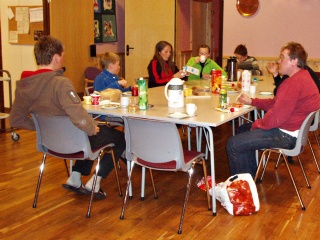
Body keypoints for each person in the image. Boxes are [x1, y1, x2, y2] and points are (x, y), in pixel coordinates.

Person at [9, 36, 126, 200]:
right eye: (62, 55)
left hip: (50, 142)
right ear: (56, 58)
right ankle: (95, 181)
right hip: (74, 140)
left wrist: (44, 127)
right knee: (119, 138)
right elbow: (80, 119)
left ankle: (75, 176)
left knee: (89, 135)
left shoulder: (25, 85)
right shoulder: (60, 83)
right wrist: (93, 127)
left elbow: (16, 119)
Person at [227, 42, 320, 178]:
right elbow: (277, 103)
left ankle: (243, 188)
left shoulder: (293, 84)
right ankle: (249, 177)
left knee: (233, 144)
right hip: (295, 131)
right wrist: (252, 101)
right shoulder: (304, 77)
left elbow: (275, 118)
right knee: (242, 130)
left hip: (286, 135)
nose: (279, 61)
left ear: (294, 61)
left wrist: (257, 124)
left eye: (282, 57)